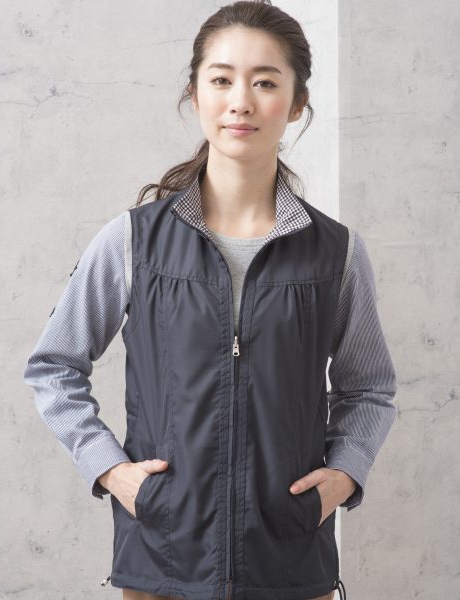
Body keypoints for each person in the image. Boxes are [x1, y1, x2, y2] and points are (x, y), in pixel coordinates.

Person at [23, 1, 397, 599]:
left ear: (297, 103)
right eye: (221, 80)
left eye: (265, 82)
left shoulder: (335, 252)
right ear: (195, 94)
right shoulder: (133, 241)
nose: (240, 101)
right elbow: (53, 366)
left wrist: (345, 475)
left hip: (291, 562)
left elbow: (369, 388)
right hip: (163, 560)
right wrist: (112, 471)